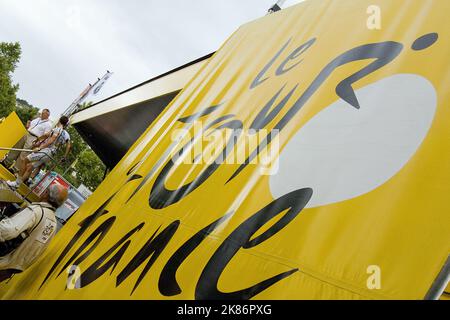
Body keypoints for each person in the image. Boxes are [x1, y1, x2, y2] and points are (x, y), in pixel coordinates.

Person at [0, 184, 68, 282]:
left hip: (4, 260)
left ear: (46, 194)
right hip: (12, 268)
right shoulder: (53, 223)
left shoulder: (36, 211)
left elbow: (6, 231)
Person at [6, 116, 71, 189]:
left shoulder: (57, 129)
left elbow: (51, 140)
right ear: (66, 124)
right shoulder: (66, 134)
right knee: (30, 167)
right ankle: (18, 185)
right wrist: (64, 156)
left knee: (25, 160)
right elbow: (68, 146)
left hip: (46, 151)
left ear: (59, 120)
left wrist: (40, 147)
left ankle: (16, 183)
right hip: (51, 154)